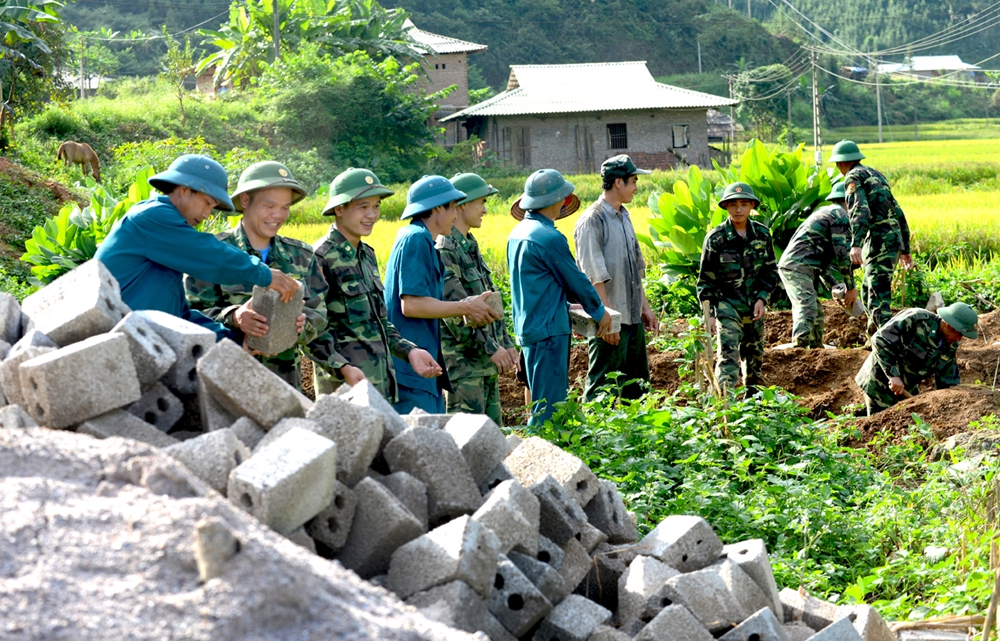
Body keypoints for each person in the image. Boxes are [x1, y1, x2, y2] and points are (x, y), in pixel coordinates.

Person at [94, 154, 300, 340]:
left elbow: (181, 317)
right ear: (184, 190)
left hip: (136, 339)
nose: (208, 214)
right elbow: (211, 255)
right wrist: (265, 274)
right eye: (208, 203)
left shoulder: (166, 248)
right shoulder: (153, 217)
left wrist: (232, 340)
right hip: (111, 339)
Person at [184, 161, 336, 389]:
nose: (278, 215)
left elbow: (319, 312)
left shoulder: (301, 256)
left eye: (285, 207)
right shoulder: (212, 253)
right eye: (269, 206)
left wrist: (302, 325)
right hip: (228, 382)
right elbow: (187, 316)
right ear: (245, 201)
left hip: (285, 383)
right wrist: (233, 317)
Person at [311, 168, 439, 401]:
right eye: (363, 207)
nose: (372, 214)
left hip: (380, 389)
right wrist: (343, 368)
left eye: (376, 206)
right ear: (339, 209)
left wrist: (410, 351)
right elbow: (311, 330)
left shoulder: (366, 255)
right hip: (344, 391)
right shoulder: (319, 257)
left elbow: (380, 323)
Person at [384, 175, 500, 414]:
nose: (456, 215)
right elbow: (412, 305)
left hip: (423, 364)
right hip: (413, 368)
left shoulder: (419, 237)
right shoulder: (416, 238)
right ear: (437, 208)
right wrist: (464, 307)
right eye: (453, 208)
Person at [507, 169, 611, 426]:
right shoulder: (549, 237)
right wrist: (599, 312)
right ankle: (540, 460)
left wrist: (564, 305)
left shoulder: (518, 233)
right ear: (557, 200)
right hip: (548, 332)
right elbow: (576, 280)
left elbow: (534, 285)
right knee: (548, 412)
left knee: (538, 401)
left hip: (528, 327)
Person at [574, 154, 659, 400]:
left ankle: (634, 438)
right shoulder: (593, 220)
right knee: (602, 389)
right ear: (618, 183)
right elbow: (594, 275)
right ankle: (594, 437)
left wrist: (645, 307)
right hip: (609, 322)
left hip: (631, 318)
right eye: (633, 181)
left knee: (638, 389)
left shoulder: (624, 216)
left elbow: (634, 269)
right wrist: (608, 319)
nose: (636, 187)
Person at [436, 173, 518, 425]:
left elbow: (490, 304)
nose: (484, 209)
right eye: (480, 202)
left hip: (485, 362)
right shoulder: (445, 248)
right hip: (464, 366)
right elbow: (455, 315)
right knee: (467, 441)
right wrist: (491, 347)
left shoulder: (469, 244)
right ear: (461, 205)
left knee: (493, 437)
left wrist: (506, 343)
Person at [697, 182, 778, 393]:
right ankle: (724, 410)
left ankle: (754, 412)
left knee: (754, 363)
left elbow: (770, 272)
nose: (739, 209)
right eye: (733, 204)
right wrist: (712, 315)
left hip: (754, 308)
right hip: (727, 307)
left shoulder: (762, 235)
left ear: (752, 205)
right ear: (726, 207)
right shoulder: (716, 239)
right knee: (728, 360)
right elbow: (706, 281)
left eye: (744, 204)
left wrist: (762, 299)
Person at [829, 140, 912, 336]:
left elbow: (859, 209)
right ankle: (873, 339)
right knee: (869, 290)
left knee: (877, 296)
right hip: (892, 241)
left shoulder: (853, 177)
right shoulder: (876, 175)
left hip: (878, 241)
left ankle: (884, 344)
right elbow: (897, 211)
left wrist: (856, 244)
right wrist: (906, 248)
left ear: (840, 163)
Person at [855, 303, 977, 415]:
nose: (960, 339)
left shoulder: (950, 345)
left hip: (907, 390)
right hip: (879, 382)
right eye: (960, 334)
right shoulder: (916, 319)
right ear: (948, 325)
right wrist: (893, 375)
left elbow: (948, 381)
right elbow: (880, 340)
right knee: (877, 426)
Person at [777, 181, 859, 348]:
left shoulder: (830, 212)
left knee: (816, 311)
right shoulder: (839, 215)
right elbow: (843, 255)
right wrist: (850, 287)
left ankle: (815, 350)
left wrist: (836, 287)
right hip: (797, 266)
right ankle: (799, 349)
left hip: (805, 267)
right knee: (807, 306)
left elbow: (826, 259)